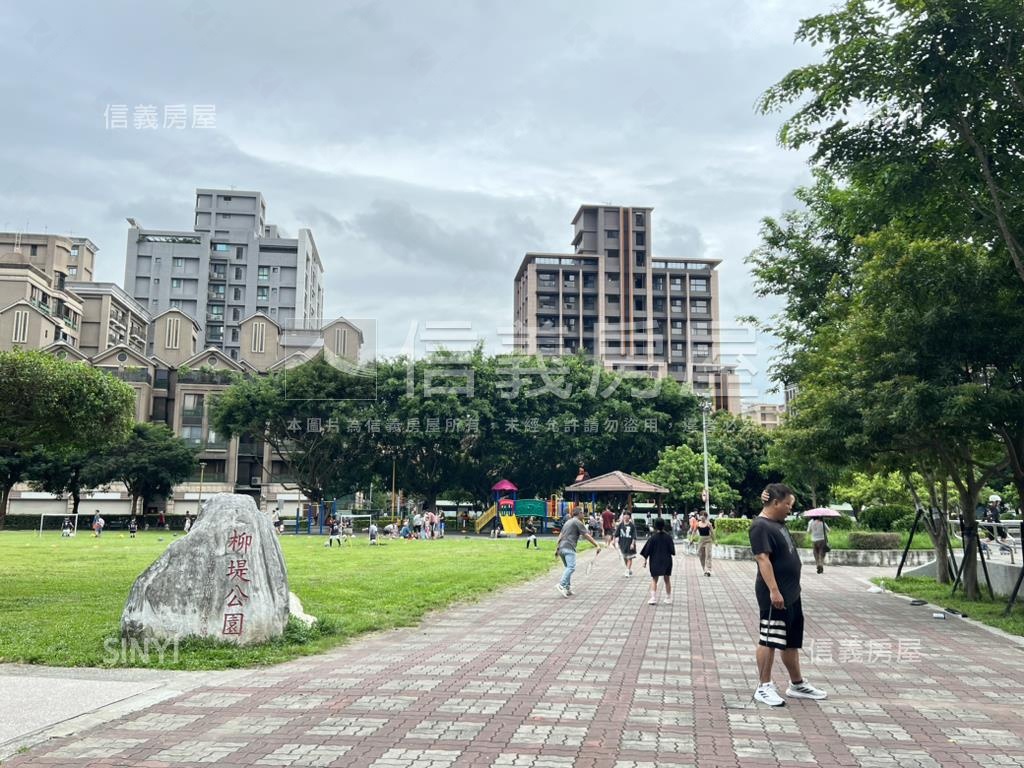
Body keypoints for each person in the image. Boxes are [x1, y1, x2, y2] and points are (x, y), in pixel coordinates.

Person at [750, 483, 827, 707]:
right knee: (769, 639)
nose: (789, 509)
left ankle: (796, 684)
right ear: (775, 503)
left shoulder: (777, 523)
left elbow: (770, 492)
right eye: (787, 505)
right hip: (775, 595)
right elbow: (762, 559)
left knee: (791, 641)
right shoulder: (760, 526)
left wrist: (765, 492)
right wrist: (774, 590)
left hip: (792, 594)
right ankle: (763, 687)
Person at [554, 507, 600, 597]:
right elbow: (586, 535)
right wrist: (597, 545)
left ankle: (567, 588)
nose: (584, 515)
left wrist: (557, 549)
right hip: (569, 547)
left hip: (561, 548)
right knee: (571, 568)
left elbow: (561, 535)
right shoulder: (578, 522)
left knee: (568, 567)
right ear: (579, 514)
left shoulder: (568, 522)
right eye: (582, 513)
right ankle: (561, 585)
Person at [640, 517, 675, 604]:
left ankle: (653, 598)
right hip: (667, 560)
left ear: (655, 526)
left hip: (655, 560)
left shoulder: (652, 538)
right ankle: (668, 597)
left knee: (654, 579)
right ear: (664, 526)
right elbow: (672, 551)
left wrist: (645, 561)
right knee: (667, 579)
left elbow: (646, 551)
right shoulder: (668, 537)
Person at [615, 511, 638, 577]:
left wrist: (632, 544)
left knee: (629, 558)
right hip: (622, 544)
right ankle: (629, 569)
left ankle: (627, 571)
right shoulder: (620, 525)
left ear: (629, 517)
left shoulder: (632, 525)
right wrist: (615, 542)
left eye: (627, 515)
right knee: (625, 558)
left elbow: (634, 536)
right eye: (624, 515)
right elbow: (616, 534)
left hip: (629, 544)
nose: (626, 516)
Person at [694, 511, 715, 577]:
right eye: (701, 515)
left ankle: (708, 570)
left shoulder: (709, 524)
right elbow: (693, 532)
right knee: (701, 555)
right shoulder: (697, 524)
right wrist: (691, 539)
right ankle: (704, 569)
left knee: (708, 554)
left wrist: (715, 541)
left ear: (706, 517)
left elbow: (712, 533)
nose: (702, 517)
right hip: (701, 541)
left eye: (703, 516)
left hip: (708, 540)